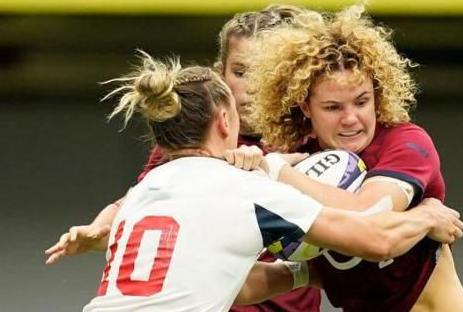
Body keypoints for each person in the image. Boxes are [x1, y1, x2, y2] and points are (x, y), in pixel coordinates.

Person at [80, 53, 463, 311]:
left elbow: (235, 286)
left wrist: (307, 272)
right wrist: (427, 216)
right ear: (225, 121)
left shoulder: (143, 191)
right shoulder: (249, 187)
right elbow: (377, 239)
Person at [46, 6, 325, 312]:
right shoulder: (192, 144)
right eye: (241, 72)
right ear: (221, 74)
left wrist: (278, 171)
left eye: (265, 73)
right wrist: (97, 229)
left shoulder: (316, 134)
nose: (251, 88)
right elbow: (136, 203)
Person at [244, 4, 463, 312]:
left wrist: (274, 172)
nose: (351, 118)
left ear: (377, 95)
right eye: (333, 107)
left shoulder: (405, 142)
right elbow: (246, 284)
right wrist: (239, 166)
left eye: (362, 101)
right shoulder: (298, 159)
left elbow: (367, 215)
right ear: (304, 106)